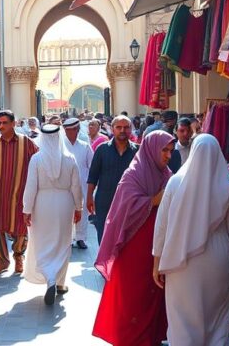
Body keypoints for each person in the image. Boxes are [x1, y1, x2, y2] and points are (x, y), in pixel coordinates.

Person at [152, 134, 229, 346]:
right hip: (217, 258)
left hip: (181, 259)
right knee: (216, 318)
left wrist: (157, 261)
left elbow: (162, 226)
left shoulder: (175, 182)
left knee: (182, 318)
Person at [92, 131, 175, 346]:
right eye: (163, 150)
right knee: (133, 294)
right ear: (150, 149)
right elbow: (124, 207)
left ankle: (151, 337)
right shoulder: (133, 174)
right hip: (134, 244)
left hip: (158, 243)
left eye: (170, 150)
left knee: (154, 290)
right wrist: (155, 200)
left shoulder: (167, 174)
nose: (167, 155)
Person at [21, 124, 82, 306]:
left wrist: (27, 209)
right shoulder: (70, 158)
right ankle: (59, 282)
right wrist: (78, 207)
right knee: (62, 243)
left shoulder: (36, 159)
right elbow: (76, 187)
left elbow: (30, 187)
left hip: (42, 205)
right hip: (65, 204)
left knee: (43, 241)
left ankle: (52, 279)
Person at [0, 110, 39, 275]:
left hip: (20, 193)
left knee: (20, 226)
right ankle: (2, 260)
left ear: (13, 123)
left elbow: (37, 166)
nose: (1, 126)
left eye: (4, 123)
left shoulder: (27, 143)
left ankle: (18, 256)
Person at [87, 115, 137, 244]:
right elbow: (93, 176)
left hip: (130, 202)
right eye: (118, 127)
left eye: (126, 127)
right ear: (112, 129)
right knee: (104, 236)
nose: (122, 130)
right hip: (105, 201)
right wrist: (89, 198)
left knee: (127, 238)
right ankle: (104, 264)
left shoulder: (138, 151)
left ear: (130, 130)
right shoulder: (102, 150)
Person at [62, 118, 93, 250]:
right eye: (67, 130)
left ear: (77, 130)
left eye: (73, 130)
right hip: (65, 185)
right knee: (66, 211)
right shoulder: (61, 146)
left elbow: (91, 165)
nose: (70, 133)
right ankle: (67, 238)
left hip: (82, 185)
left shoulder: (85, 146)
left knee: (83, 212)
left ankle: (81, 238)